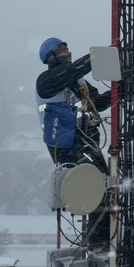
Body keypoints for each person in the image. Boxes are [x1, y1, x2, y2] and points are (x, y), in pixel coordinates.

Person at [36, 37, 113, 248]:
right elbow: (73, 71)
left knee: (104, 187)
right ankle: (98, 241)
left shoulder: (78, 83)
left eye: (67, 49)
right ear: (50, 58)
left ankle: (102, 238)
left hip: (85, 140)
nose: (67, 53)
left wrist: (119, 92)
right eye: (61, 51)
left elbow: (97, 103)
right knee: (91, 187)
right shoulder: (46, 81)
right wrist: (99, 56)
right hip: (65, 145)